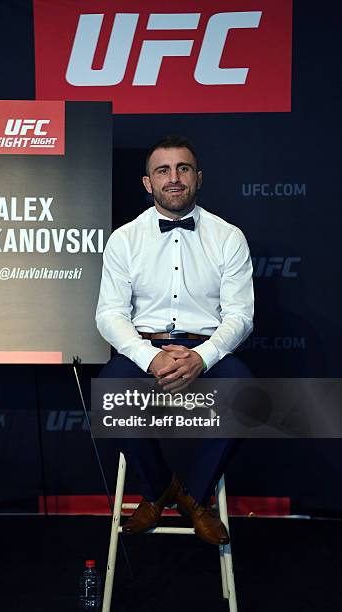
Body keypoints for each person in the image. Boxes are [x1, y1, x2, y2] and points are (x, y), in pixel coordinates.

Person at [96, 135, 254, 545]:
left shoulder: (228, 237)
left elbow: (240, 316)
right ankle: (157, 490)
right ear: (148, 183)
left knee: (247, 393)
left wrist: (201, 357)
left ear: (198, 178)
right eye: (163, 170)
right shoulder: (124, 239)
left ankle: (194, 495)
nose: (174, 178)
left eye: (183, 169)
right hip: (143, 349)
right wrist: (149, 358)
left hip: (207, 351)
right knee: (109, 392)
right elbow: (110, 314)